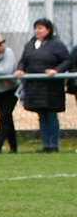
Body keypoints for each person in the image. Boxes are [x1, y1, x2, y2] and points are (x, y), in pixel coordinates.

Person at [13, 18, 70, 153]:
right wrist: (21, 69)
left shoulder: (57, 44)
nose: (38, 31)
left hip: (51, 86)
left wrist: (56, 70)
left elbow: (67, 60)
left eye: (41, 28)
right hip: (34, 85)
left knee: (51, 114)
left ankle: (54, 145)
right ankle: (46, 144)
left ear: (48, 30)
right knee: (41, 115)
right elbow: (23, 60)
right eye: (36, 28)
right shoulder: (30, 44)